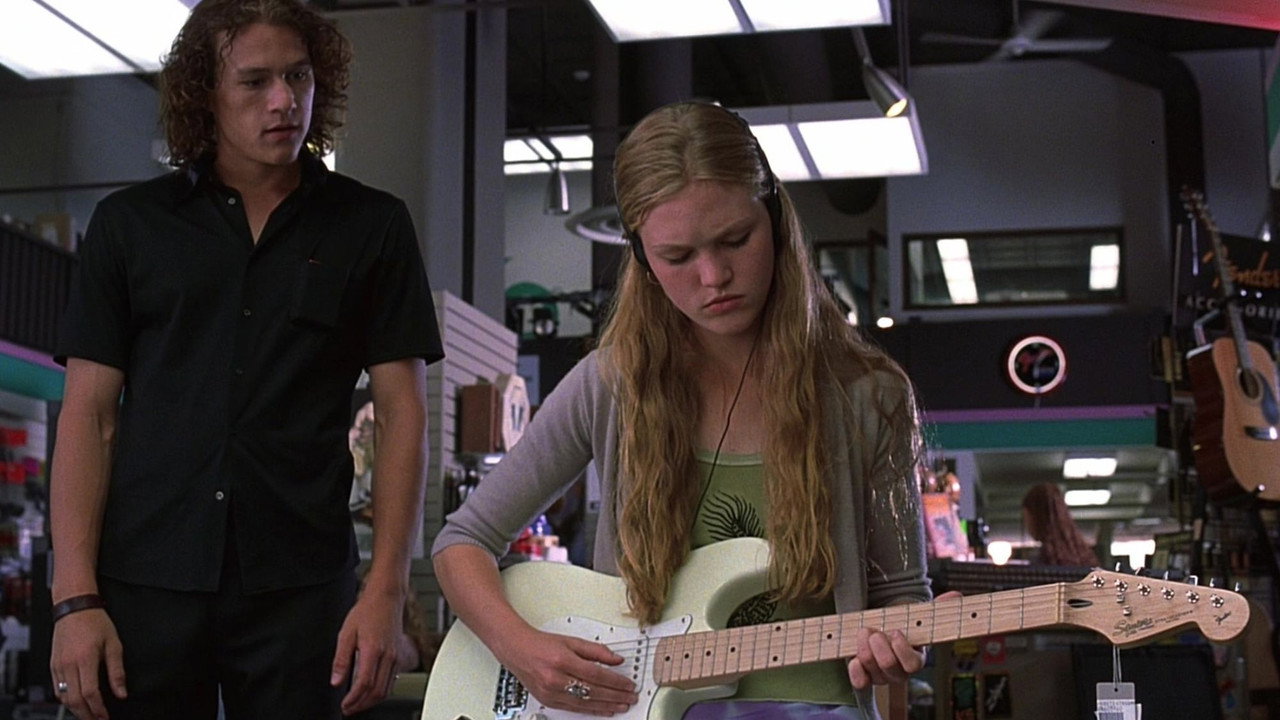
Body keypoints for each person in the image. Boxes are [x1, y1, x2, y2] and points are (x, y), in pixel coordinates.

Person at [432, 101, 941, 719]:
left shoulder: (869, 394)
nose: (714, 276)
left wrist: (899, 643)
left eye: (736, 240)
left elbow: (901, 594)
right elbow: (463, 541)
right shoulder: (609, 384)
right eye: (677, 257)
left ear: (776, 220)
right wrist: (521, 649)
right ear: (644, 261)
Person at [47, 1, 444, 718]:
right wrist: (74, 599)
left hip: (301, 586)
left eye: (298, 76)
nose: (284, 100)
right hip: (146, 578)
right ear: (206, 93)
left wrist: (387, 590)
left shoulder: (372, 225)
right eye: (255, 82)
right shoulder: (129, 227)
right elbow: (89, 417)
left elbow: (401, 415)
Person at [1021, 482, 1099, 567]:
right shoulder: (1085, 554)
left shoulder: (1042, 560)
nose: (1027, 526)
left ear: (1038, 518)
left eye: (1027, 518)